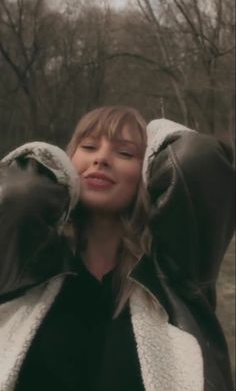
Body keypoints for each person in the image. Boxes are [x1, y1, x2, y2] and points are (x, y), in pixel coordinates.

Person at [0, 106, 234, 391]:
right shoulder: (27, 263)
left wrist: (155, 132)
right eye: (88, 146)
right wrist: (54, 175)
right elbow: (18, 193)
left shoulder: (175, 268)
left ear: (148, 169)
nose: (101, 159)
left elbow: (199, 159)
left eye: (125, 153)